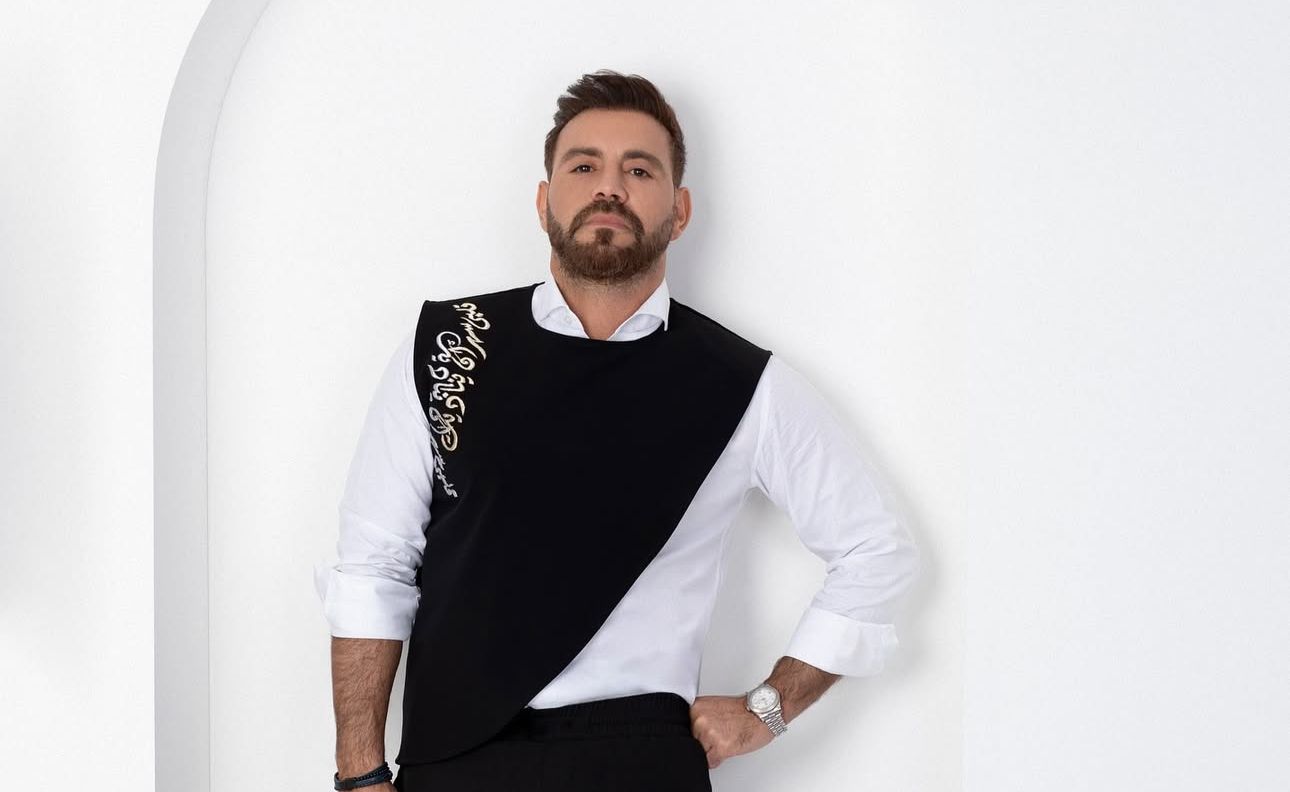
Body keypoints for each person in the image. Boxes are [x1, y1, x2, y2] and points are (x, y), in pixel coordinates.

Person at [314, 69, 921, 792]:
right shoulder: (449, 347)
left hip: (639, 759)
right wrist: (359, 773)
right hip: (453, 758)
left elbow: (875, 551)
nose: (609, 187)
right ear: (544, 201)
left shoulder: (740, 383)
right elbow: (374, 566)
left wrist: (768, 710)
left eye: (639, 170)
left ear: (679, 209)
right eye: (584, 167)